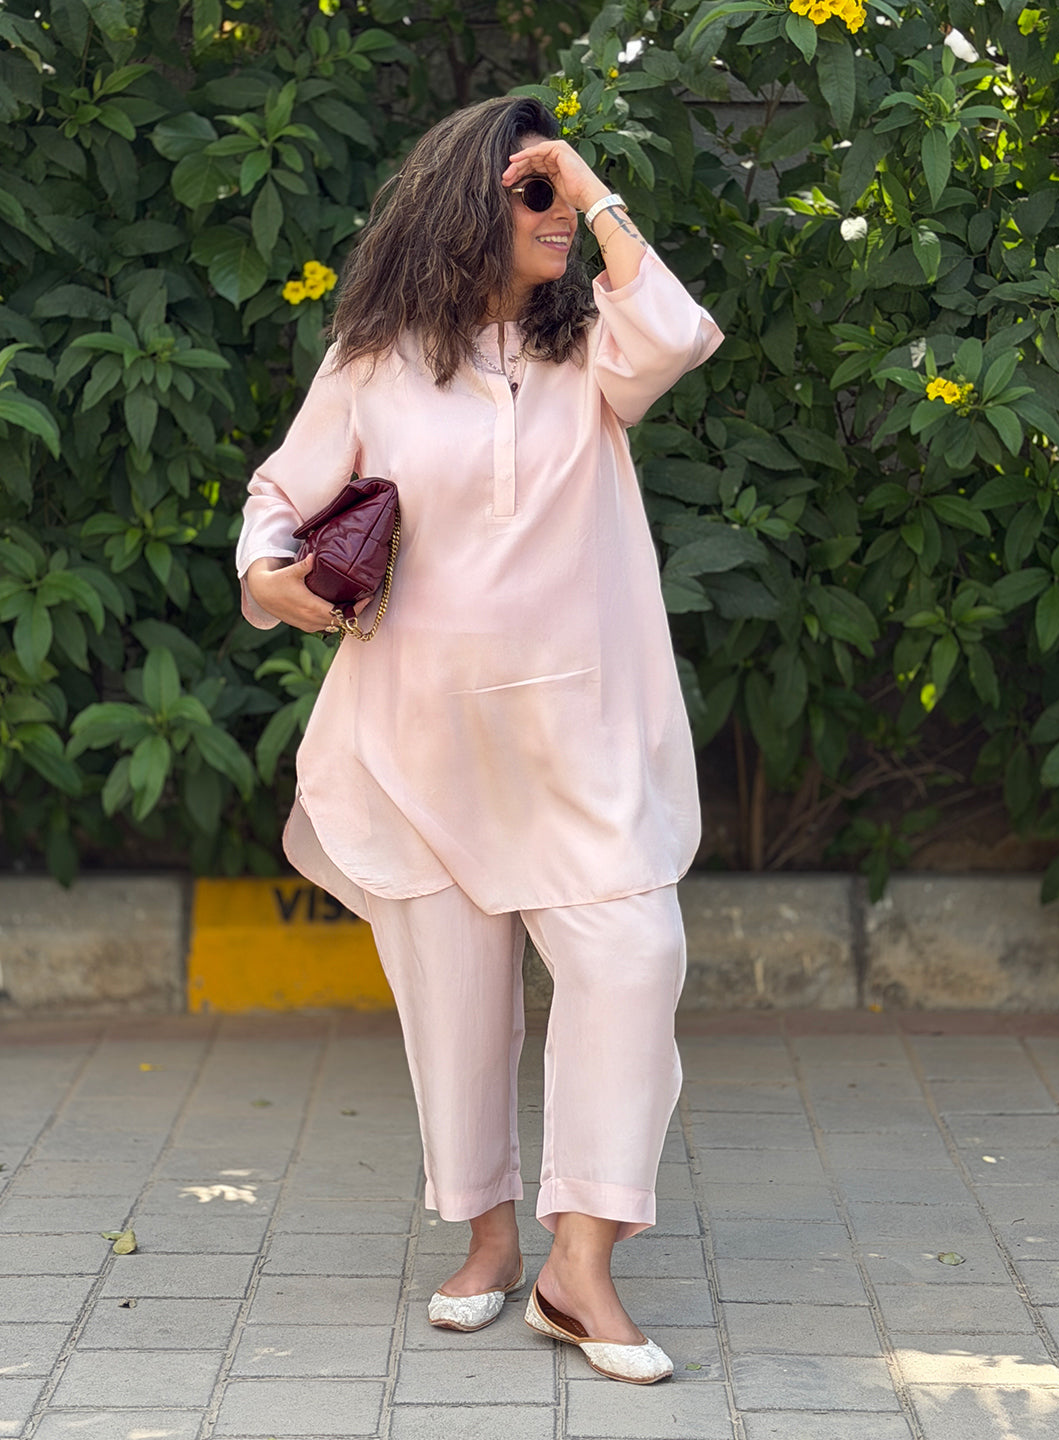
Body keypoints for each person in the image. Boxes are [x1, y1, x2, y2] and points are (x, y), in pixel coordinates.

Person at [236, 94, 722, 1385]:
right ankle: (490, 1241)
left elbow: (678, 330)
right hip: (419, 738)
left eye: (564, 188)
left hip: (580, 742)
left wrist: (592, 188)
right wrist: (270, 574)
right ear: (466, 206)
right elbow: (281, 495)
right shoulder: (376, 359)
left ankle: (581, 1267)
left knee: (635, 961)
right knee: (455, 1008)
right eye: (532, 191)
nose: (559, 211)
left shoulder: (594, 350)